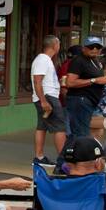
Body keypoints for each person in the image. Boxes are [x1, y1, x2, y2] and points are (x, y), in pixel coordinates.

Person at [64, 37, 106, 140]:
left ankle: (68, 155)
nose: (94, 49)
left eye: (98, 47)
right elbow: (70, 82)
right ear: (84, 48)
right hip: (80, 100)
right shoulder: (78, 61)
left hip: (91, 102)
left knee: (86, 132)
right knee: (81, 134)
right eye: (91, 47)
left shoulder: (95, 61)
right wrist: (95, 80)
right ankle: (80, 155)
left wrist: (104, 79)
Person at [30, 35, 65, 164]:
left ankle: (39, 157)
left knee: (42, 127)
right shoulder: (43, 60)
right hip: (47, 97)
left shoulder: (45, 60)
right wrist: (44, 101)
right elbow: (37, 81)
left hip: (45, 96)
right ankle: (63, 161)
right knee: (60, 128)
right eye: (59, 44)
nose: (59, 47)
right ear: (55, 45)